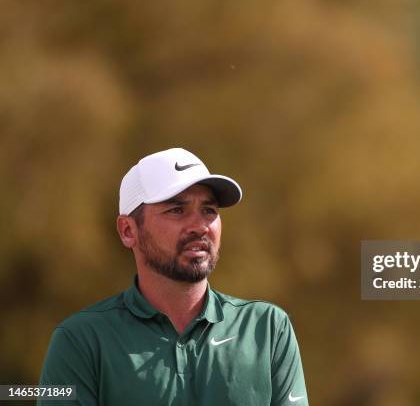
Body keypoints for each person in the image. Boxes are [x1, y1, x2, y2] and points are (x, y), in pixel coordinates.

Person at [38, 148, 309, 405]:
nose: (199, 226)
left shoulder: (268, 329)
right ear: (128, 230)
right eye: (177, 210)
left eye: (209, 210)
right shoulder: (81, 339)